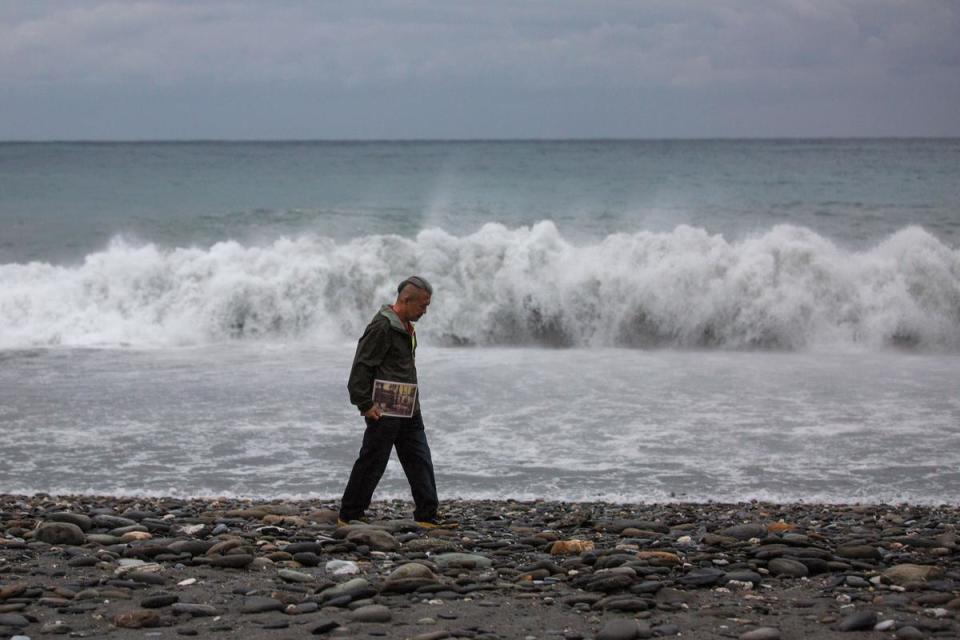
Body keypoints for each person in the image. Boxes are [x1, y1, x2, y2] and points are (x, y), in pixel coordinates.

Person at [339, 276, 440, 527]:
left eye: (427, 306)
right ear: (405, 299)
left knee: (420, 459)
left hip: (408, 405)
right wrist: (364, 404)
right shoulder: (382, 327)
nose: (425, 311)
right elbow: (360, 369)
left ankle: (427, 515)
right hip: (384, 408)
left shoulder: (405, 326)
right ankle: (350, 514)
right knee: (373, 460)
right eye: (422, 305)